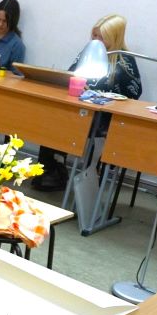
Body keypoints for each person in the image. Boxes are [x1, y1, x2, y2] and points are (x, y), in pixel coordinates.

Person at [33, 14, 142, 192]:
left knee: (73, 123)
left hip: (103, 117)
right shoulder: (89, 53)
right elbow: (70, 75)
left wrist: (103, 95)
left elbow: (133, 94)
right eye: (94, 35)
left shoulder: (124, 61)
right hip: (79, 109)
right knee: (52, 117)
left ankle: (81, 175)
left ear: (114, 38)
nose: (96, 40)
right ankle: (52, 170)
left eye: (101, 37)